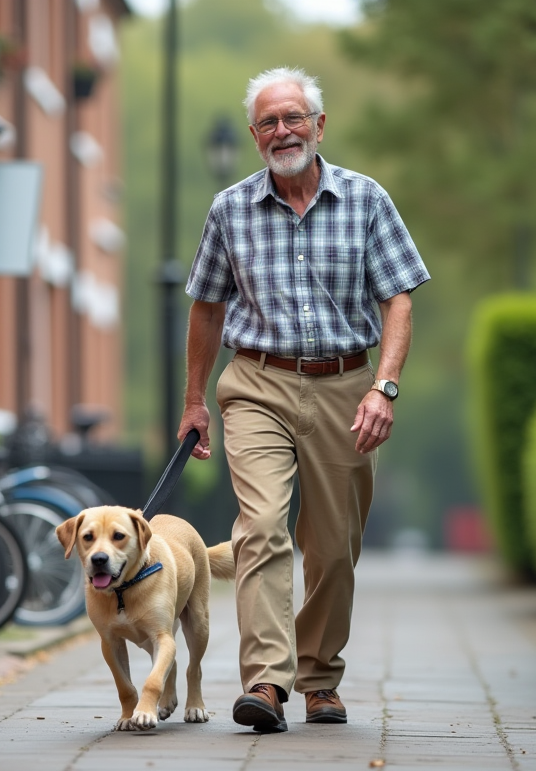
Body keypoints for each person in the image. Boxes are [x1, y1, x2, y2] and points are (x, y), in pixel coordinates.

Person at [177, 66, 430, 733]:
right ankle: (266, 679)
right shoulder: (230, 209)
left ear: (319, 125)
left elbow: (398, 298)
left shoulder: (366, 199)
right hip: (256, 383)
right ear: (256, 135)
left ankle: (319, 678)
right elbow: (206, 307)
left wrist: (385, 385)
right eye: (268, 121)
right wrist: (194, 402)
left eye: (293, 117)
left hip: (348, 384)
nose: (282, 130)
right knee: (261, 528)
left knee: (332, 546)